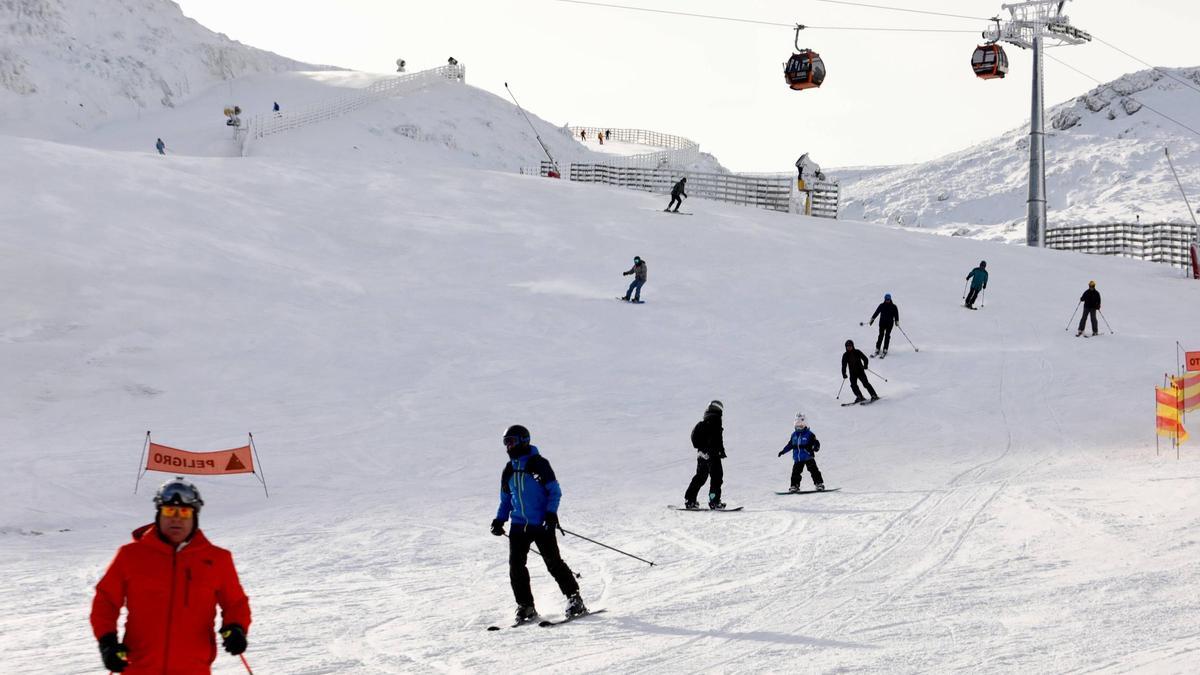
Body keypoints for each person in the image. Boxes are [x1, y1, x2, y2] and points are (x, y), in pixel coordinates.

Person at [91, 477, 251, 674]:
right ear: (159, 514)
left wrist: (236, 628)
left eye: (184, 512)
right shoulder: (130, 556)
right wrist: (107, 642)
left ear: (195, 517)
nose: (176, 518)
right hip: (139, 667)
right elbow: (105, 600)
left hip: (194, 669)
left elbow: (236, 603)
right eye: (169, 511)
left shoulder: (217, 560)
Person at [491, 425, 586, 623]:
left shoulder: (539, 464)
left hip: (541, 523)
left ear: (524, 440)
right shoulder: (509, 469)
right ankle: (526, 606)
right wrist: (500, 520)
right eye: (505, 442)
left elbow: (555, 491)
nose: (508, 446)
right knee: (516, 567)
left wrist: (551, 514)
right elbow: (506, 499)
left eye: (512, 441)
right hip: (518, 525)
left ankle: (574, 598)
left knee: (553, 563)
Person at [685, 400, 727, 509]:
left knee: (700, 477)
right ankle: (714, 501)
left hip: (701, 454)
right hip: (712, 455)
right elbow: (717, 439)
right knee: (716, 478)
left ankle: (690, 500)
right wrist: (720, 451)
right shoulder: (716, 421)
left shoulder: (704, 422)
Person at [777, 413, 823, 492]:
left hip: (808, 457)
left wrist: (813, 447)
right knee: (795, 473)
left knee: (814, 470)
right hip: (798, 459)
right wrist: (783, 451)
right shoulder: (794, 435)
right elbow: (790, 445)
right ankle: (794, 486)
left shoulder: (809, 434)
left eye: (801, 426)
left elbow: (816, 444)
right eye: (797, 426)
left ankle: (819, 484)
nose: (799, 428)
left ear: (805, 425)